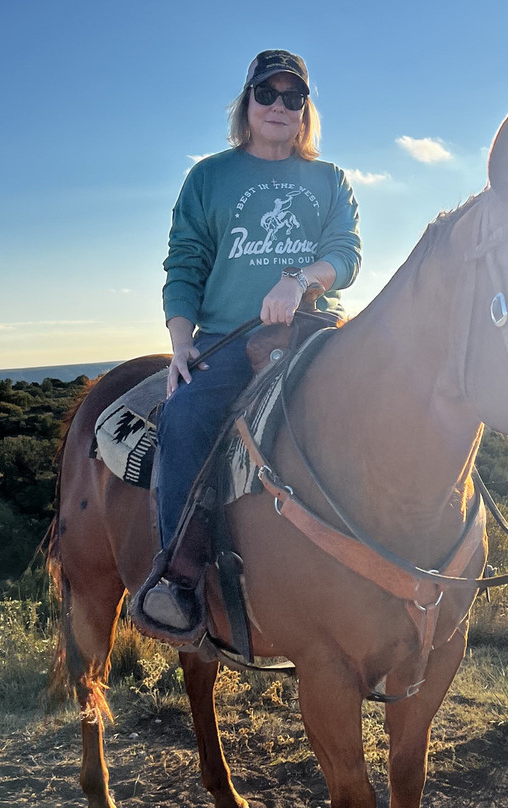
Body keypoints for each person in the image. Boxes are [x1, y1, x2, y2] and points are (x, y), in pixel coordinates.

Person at [135, 49, 362, 641]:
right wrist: (182, 343)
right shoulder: (208, 177)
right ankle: (179, 578)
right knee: (184, 416)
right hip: (231, 338)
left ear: (305, 110)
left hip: (315, 332)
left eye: (294, 97)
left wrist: (299, 279)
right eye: (268, 94)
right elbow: (184, 262)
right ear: (248, 103)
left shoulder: (329, 179)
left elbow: (346, 254)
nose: (280, 106)